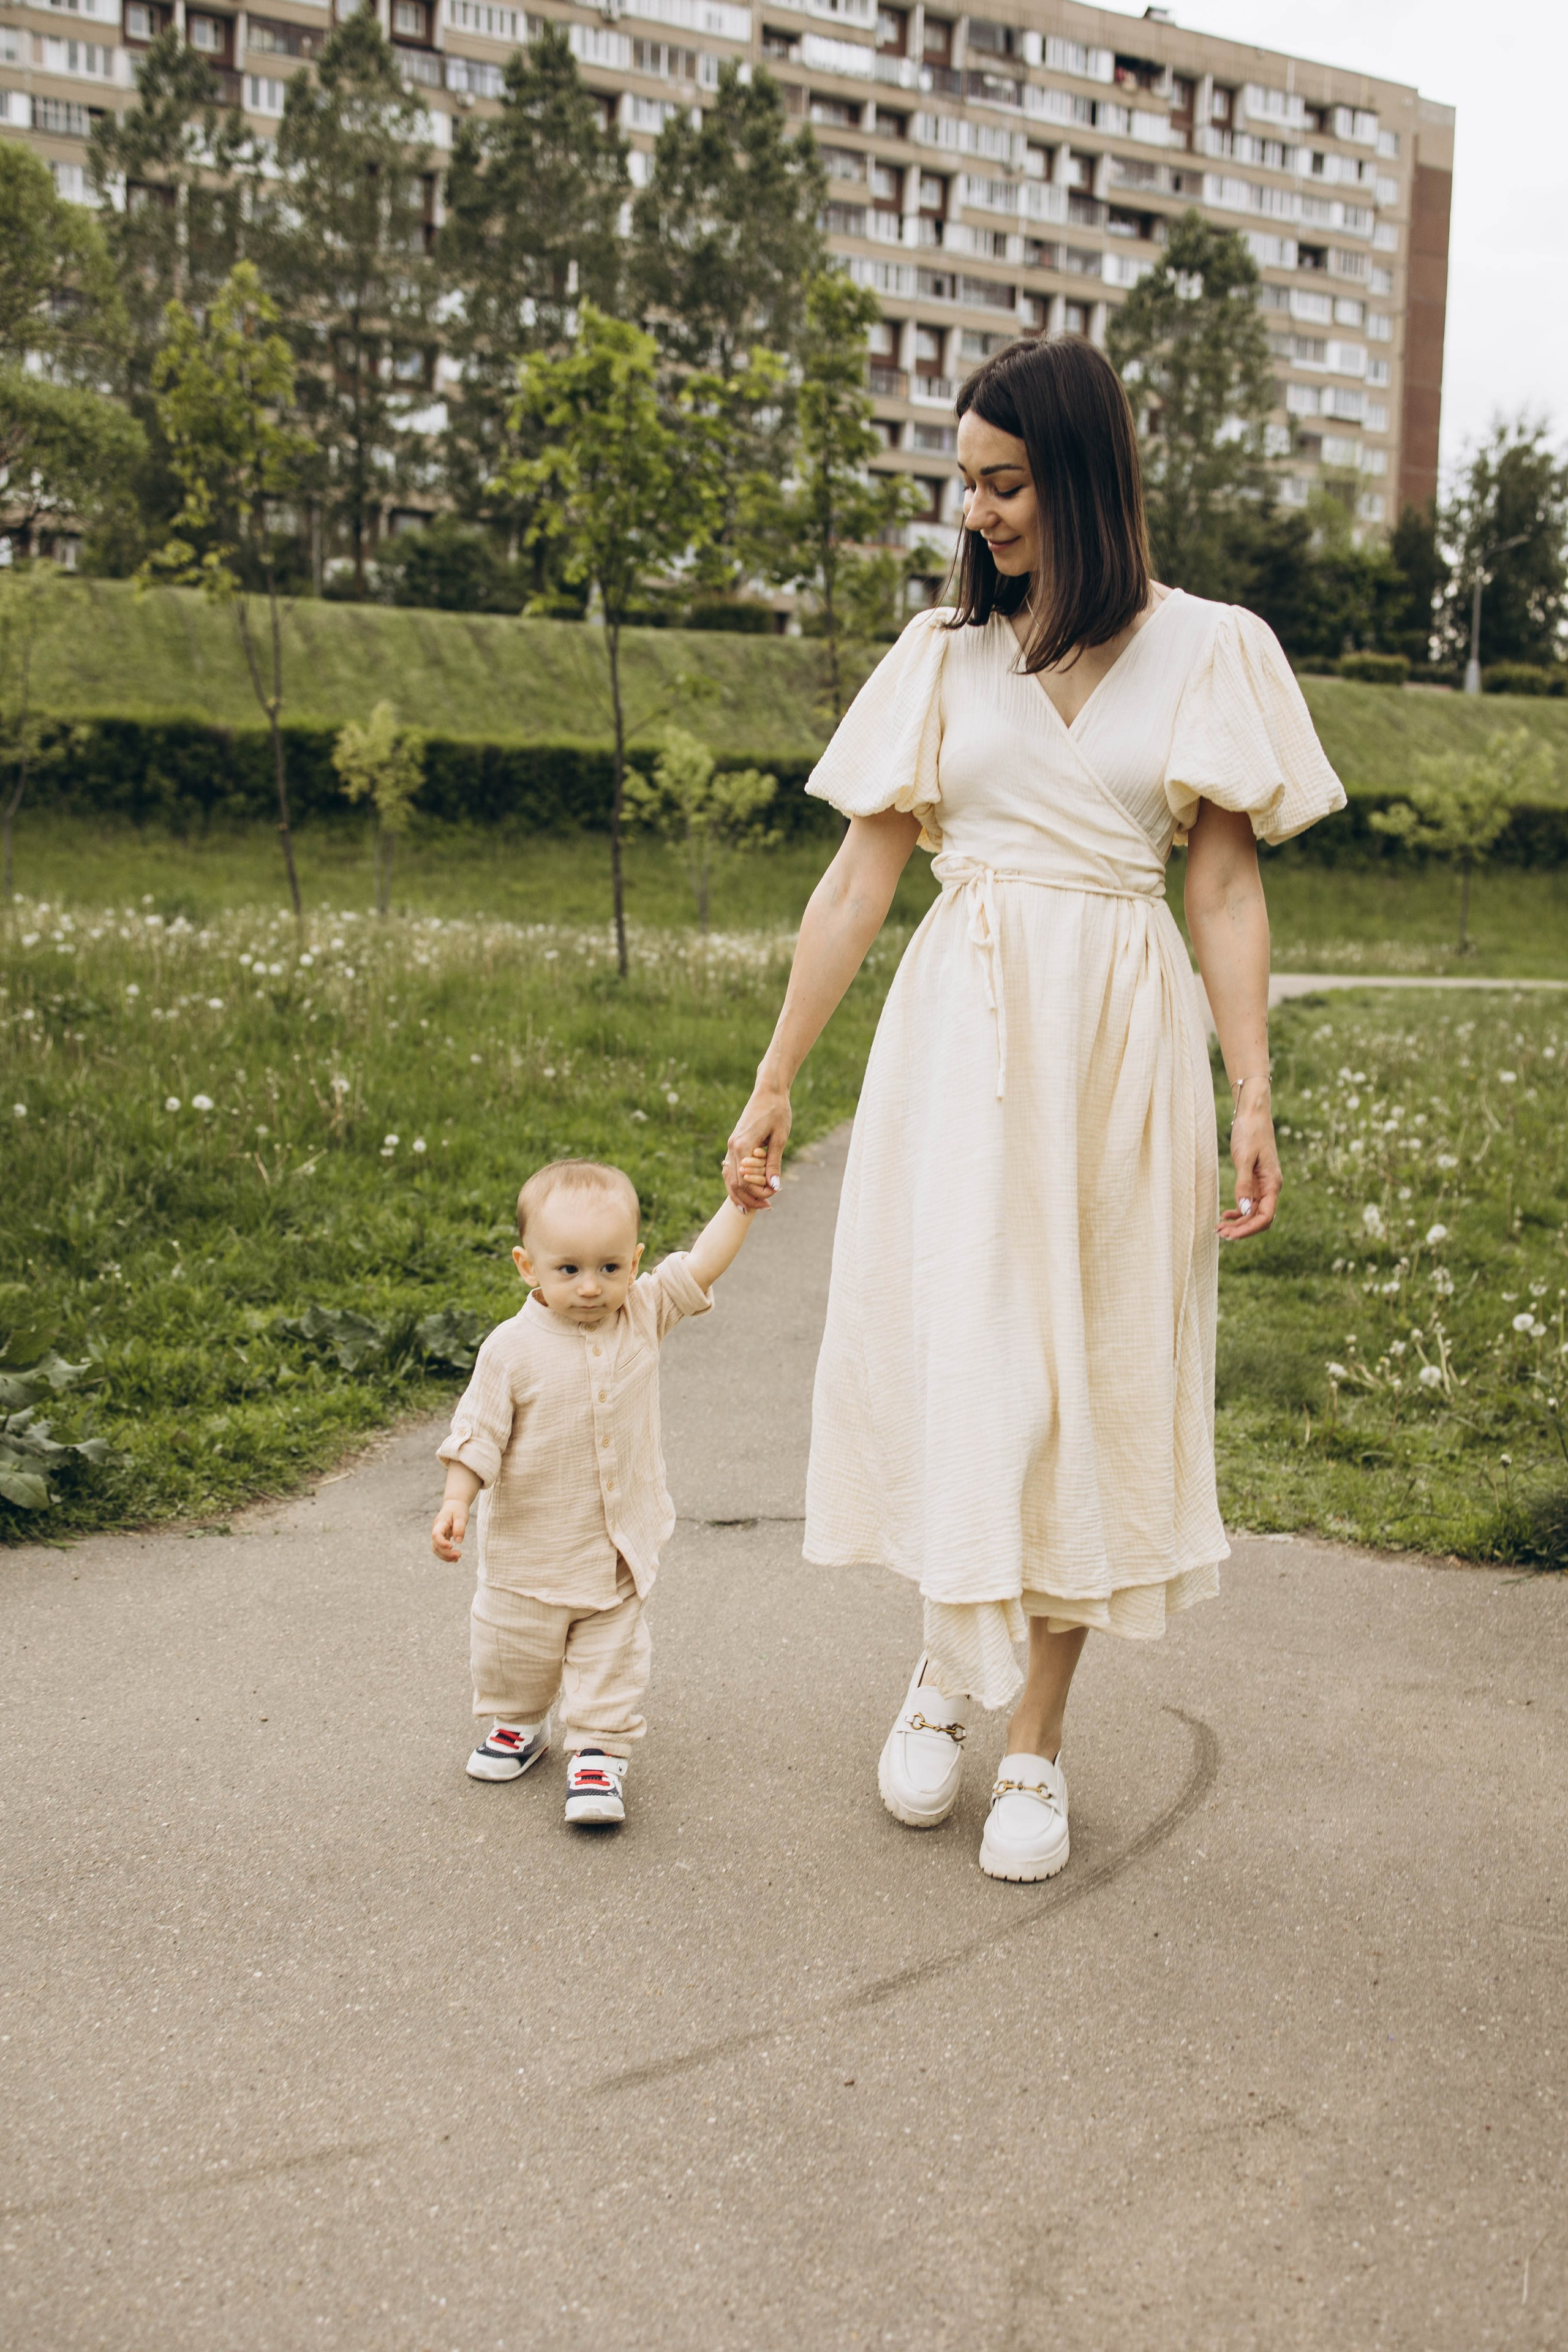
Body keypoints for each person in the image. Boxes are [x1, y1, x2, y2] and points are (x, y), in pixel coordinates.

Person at [723, 334, 1346, 1883]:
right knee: (969, 1356)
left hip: (1124, 1046)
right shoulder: (941, 656)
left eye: (1001, 482)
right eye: (964, 481)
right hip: (964, 1033)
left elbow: (1220, 882)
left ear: (1075, 476)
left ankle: (1035, 1740)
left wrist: (1252, 1083)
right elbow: (857, 875)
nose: (975, 510)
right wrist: (774, 1073)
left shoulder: (1212, 648)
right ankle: (943, 1662)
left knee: (1097, 1382)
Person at [431, 1155, 764, 1828]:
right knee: (514, 1652)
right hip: (530, 1548)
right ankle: (522, 1725)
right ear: (528, 1267)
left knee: (612, 1655)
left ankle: (599, 1752)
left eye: (610, 1268)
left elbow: (699, 1265)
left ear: (633, 1261)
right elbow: (478, 1432)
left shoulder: (641, 1314)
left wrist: (741, 1205)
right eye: (569, 1270)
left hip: (616, 1546)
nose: (591, 1287)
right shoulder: (510, 1349)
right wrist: (456, 1499)